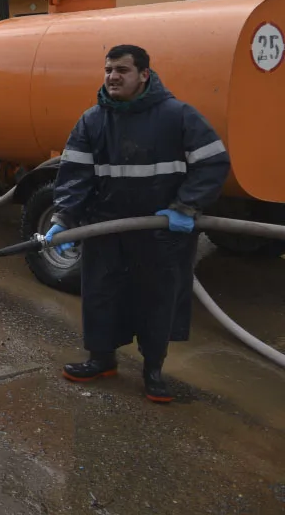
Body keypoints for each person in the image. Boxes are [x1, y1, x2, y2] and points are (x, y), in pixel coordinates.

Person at [44, 44, 230, 403]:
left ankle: (153, 371)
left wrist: (185, 207)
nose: (113, 76)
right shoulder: (92, 120)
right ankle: (101, 359)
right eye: (109, 69)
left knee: (156, 300)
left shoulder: (177, 116)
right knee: (101, 294)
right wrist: (64, 218)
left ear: (144, 75)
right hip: (106, 229)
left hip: (160, 232)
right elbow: (75, 176)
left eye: (123, 70)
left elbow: (213, 163)